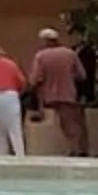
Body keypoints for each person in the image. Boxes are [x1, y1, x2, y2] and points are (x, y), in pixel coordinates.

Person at [30, 26, 87, 155]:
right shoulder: (70, 54)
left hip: (48, 96)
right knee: (71, 122)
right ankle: (76, 148)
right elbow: (81, 75)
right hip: (69, 93)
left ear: (45, 41)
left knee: (61, 125)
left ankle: (72, 150)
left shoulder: (41, 56)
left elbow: (35, 79)